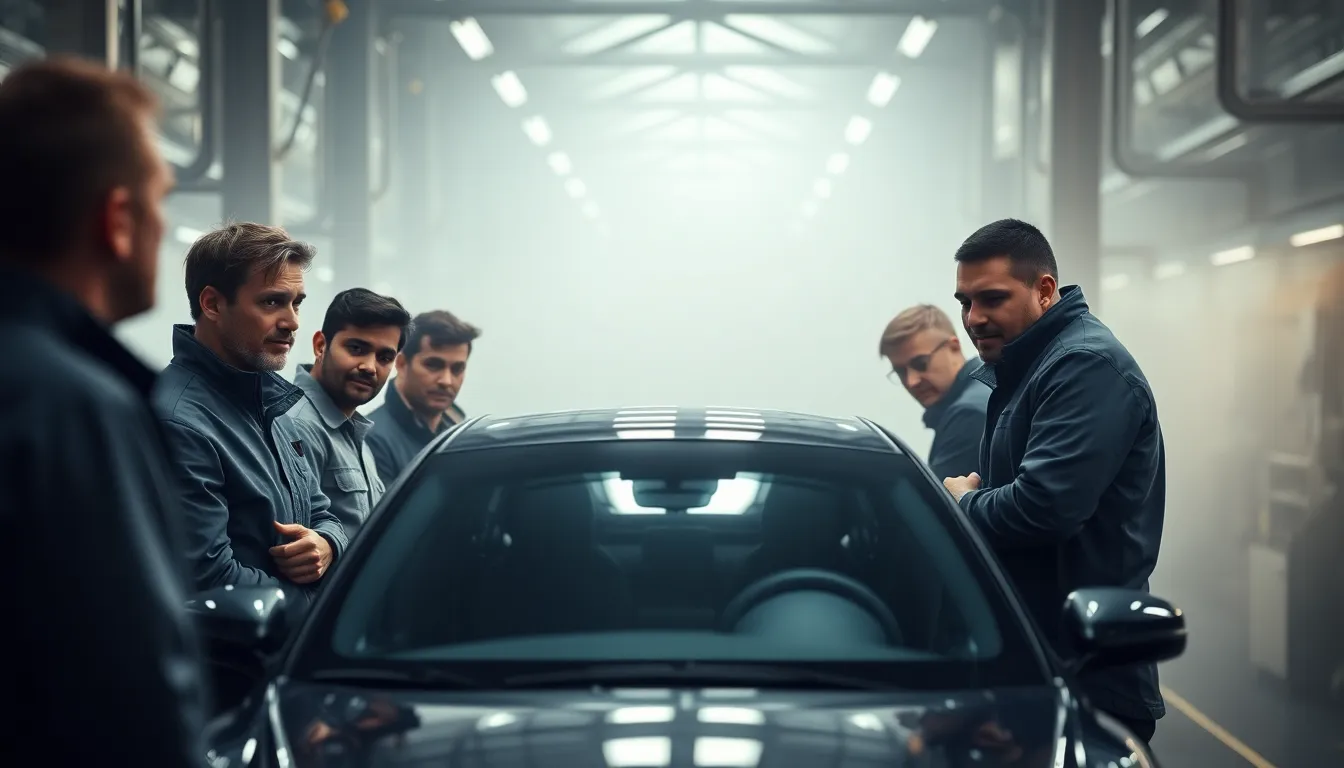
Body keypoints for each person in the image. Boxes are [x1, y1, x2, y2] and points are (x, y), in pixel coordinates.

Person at [0, 57, 206, 765]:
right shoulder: (74, 410)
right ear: (117, 220)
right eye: (160, 197)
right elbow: (130, 703)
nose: (162, 222)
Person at [942, 219, 1166, 742]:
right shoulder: (1033, 366)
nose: (973, 319)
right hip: (1042, 669)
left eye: (992, 299)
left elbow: (1042, 509)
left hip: (1085, 679)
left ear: (1045, 290)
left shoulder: (1083, 366)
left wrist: (965, 502)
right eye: (964, 302)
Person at [154, 222, 348, 595]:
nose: (292, 322)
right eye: (272, 302)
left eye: (296, 303)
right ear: (212, 304)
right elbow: (210, 581)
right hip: (239, 651)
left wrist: (326, 544)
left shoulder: (269, 403)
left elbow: (322, 511)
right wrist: (314, 615)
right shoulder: (179, 422)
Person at [291, 288, 412, 541]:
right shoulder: (296, 424)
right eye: (357, 348)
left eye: (384, 357)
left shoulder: (351, 429)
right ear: (320, 345)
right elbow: (294, 550)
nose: (369, 367)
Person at [366, 310, 481, 484]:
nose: (446, 381)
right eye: (433, 365)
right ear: (402, 364)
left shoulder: (462, 436)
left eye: (457, 369)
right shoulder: (370, 439)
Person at [879, 304, 989, 479]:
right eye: (900, 371)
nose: (911, 381)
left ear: (954, 347)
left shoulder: (969, 414)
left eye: (920, 363)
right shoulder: (989, 385)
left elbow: (940, 505)